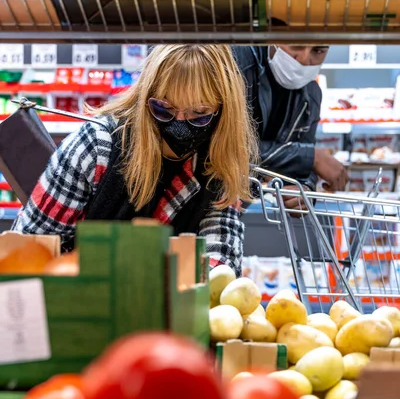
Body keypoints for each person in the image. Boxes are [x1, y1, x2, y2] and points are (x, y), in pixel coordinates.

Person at [13, 45, 258, 276]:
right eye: (164, 109)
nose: (180, 124)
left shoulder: (218, 166)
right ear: (145, 97)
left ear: (222, 111)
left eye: (199, 114)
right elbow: (28, 247)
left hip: (162, 313)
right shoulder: (96, 146)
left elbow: (220, 266)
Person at [232, 41, 348, 203]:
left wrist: (305, 188)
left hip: (243, 207)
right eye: (296, 45)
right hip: (205, 197)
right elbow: (228, 147)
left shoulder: (312, 96)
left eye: (318, 51)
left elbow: (303, 166)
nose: (303, 58)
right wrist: (311, 157)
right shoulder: (238, 65)